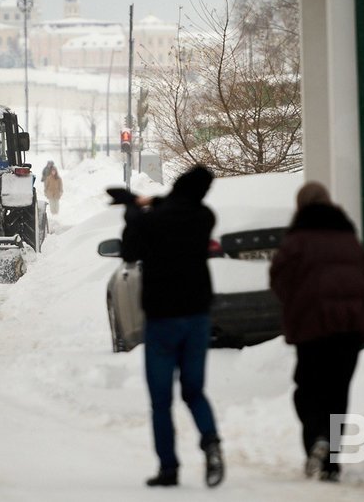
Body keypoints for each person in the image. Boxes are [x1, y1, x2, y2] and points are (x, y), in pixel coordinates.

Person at [110, 165, 225, 489]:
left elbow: (130, 252)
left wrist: (132, 210)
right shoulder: (205, 217)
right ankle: (211, 441)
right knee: (194, 391)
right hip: (197, 317)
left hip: (162, 319)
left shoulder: (152, 221)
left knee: (161, 401)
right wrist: (141, 201)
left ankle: (169, 468)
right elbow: (177, 208)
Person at [269, 181, 364, 482]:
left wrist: (294, 303)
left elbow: (278, 278)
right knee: (338, 392)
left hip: (312, 326)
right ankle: (331, 463)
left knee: (307, 388)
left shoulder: (296, 239)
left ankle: (316, 441)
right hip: (351, 326)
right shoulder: (347, 236)